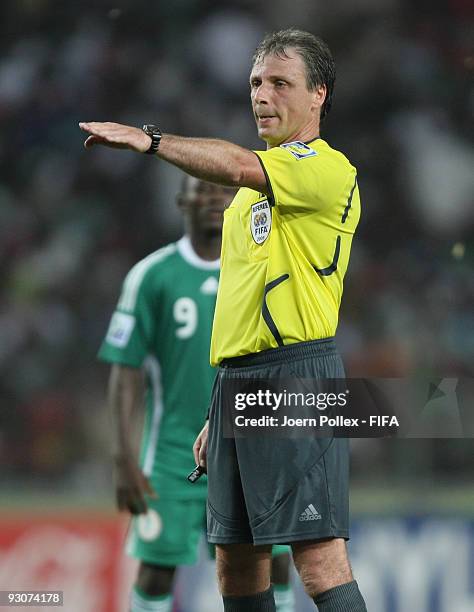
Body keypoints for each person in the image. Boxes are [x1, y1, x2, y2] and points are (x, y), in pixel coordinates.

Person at [81, 27, 366, 612]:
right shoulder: (247, 203)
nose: (262, 95)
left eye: (280, 83)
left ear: (319, 95)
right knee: (236, 566)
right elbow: (240, 309)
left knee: (317, 558)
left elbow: (238, 166)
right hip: (241, 382)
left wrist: (150, 140)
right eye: (256, 82)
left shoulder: (326, 169)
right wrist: (222, 402)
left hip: (297, 378)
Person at [98, 176, 295, 612]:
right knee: (155, 569)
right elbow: (125, 371)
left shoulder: (260, 268)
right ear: (180, 201)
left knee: (273, 566)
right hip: (171, 457)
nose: (212, 198)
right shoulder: (152, 276)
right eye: (200, 190)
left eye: (222, 190)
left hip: (251, 450)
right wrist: (123, 457)